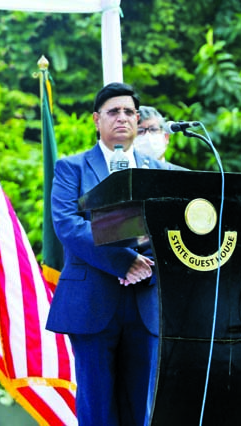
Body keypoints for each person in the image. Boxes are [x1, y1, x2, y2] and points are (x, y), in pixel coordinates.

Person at [46, 83, 165, 425]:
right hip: (92, 301)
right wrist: (124, 260)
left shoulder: (157, 171)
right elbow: (68, 226)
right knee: (97, 408)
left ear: (138, 119)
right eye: (114, 112)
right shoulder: (72, 168)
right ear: (97, 120)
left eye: (129, 112)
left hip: (146, 301)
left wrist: (146, 262)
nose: (122, 118)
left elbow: (169, 227)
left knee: (140, 408)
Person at [136, 105, 186, 170]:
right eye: (140, 131)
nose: (147, 136)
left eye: (153, 129)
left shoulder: (183, 176)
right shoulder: (122, 174)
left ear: (166, 137)